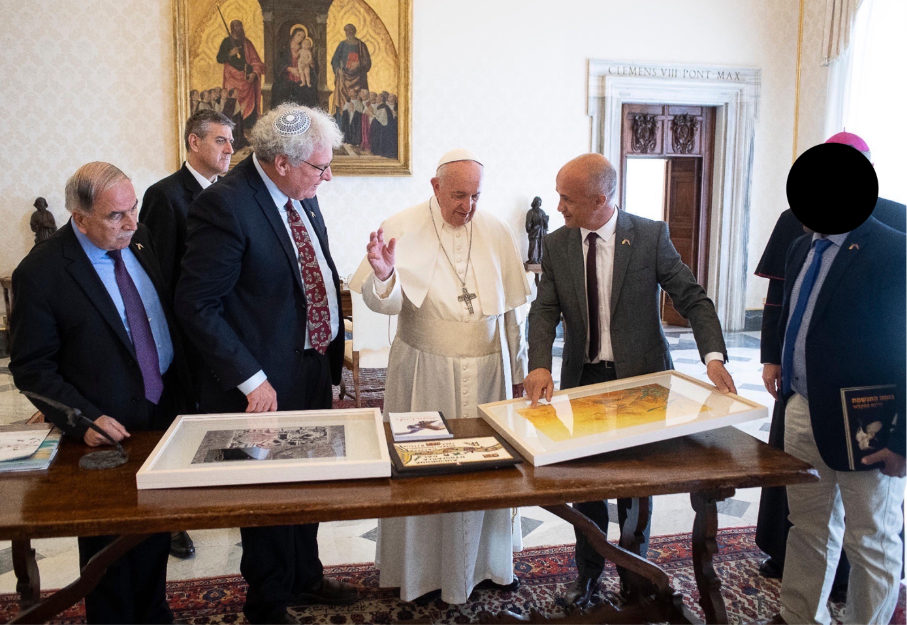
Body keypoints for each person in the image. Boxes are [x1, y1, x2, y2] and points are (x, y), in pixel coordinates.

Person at [525, 153, 734, 608]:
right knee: (587, 487)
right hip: (584, 382)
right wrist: (539, 363)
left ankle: (635, 576)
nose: (559, 207)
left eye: (567, 198)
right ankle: (587, 577)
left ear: (600, 199)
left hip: (641, 384)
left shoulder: (650, 236)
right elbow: (544, 310)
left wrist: (713, 357)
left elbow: (693, 299)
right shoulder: (558, 244)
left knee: (636, 488)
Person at [175, 104, 356, 625]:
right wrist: (251, 379)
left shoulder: (302, 193)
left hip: (310, 366)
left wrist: (329, 358)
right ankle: (269, 601)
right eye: (320, 167)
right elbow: (196, 304)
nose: (328, 176)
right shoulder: (225, 205)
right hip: (263, 383)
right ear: (281, 162)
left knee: (311, 480)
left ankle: (306, 576)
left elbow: (310, 276)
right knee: (269, 494)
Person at [10, 162, 191, 625]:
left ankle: (154, 615)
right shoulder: (42, 272)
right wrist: (82, 417)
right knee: (109, 551)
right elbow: (31, 368)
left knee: (152, 530)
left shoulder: (140, 239)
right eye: (116, 215)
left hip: (161, 410)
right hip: (105, 429)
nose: (131, 223)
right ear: (80, 216)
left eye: (133, 209)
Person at [356, 148, 531, 604]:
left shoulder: (496, 230)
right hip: (424, 373)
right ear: (435, 187)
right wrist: (384, 276)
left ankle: (487, 565)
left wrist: (518, 371)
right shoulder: (400, 226)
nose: (467, 206)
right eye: (458, 195)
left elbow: (513, 312)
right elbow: (382, 302)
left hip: (488, 373)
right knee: (425, 466)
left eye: (475, 196)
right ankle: (421, 572)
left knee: (486, 469)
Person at [758, 183, 907, 625]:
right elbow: (791, 314)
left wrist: (903, 441)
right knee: (807, 526)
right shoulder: (801, 247)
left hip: (867, 421)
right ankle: (801, 617)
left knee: (870, 539)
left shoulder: (894, 251)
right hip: (802, 407)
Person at [140, 109, 235, 291]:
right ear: (194, 142)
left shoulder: (233, 191)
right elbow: (159, 272)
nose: (230, 150)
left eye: (230, 141)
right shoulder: (163, 195)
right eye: (220, 141)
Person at [216, 19, 265, 128]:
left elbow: (256, 61)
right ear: (232, 29)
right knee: (232, 104)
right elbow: (219, 58)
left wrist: (254, 73)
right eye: (236, 26)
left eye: (240, 26)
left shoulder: (247, 43)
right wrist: (230, 54)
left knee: (249, 114)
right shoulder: (226, 42)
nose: (239, 28)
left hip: (247, 79)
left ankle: (248, 127)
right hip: (231, 77)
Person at [330, 24, 371, 119]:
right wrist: (338, 69)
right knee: (342, 103)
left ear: (354, 31)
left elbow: (368, 62)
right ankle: (342, 122)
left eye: (351, 30)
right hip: (344, 78)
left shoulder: (361, 45)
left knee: (358, 105)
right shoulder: (342, 45)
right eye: (347, 31)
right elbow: (335, 60)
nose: (349, 33)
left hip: (358, 79)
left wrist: (358, 63)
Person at [272, 28, 318, 109]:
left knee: (308, 90)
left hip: (301, 73)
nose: (300, 38)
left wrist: (309, 63)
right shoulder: (284, 47)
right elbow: (278, 63)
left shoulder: (303, 47)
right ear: (293, 35)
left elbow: (311, 61)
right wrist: (290, 69)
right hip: (287, 75)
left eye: (302, 37)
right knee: (280, 89)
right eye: (298, 35)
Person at [525, 196, 548, 265]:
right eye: (537, 203)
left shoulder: (542, 212)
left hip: (541, 233)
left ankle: (540, 260)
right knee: (534, 246)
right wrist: (533, 227)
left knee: (541, 246)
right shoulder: (530, 212)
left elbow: (545, 226)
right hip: (534, 232)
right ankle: (533, 259)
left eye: (539, 203)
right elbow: (528, 224)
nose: (538, 205)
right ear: (534, 203)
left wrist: (545, 222)